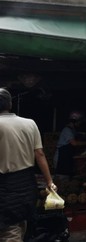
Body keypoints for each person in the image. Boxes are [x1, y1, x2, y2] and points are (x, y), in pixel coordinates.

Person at [0, 87, 57, 241]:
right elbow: (39, 154)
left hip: (6, 185)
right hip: (27, 184)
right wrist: (49, 182)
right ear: (10, 104)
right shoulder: (30, 124)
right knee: (21, 224)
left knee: (9, 230)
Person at [53, 110, 86, 177]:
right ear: (75, 121)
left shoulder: (73, 131)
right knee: (63, 178)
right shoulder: (67, 130)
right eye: (79, 122)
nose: (80, 124)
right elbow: (74, 143)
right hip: (61, 159)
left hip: (67, 157)